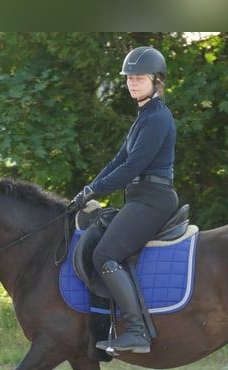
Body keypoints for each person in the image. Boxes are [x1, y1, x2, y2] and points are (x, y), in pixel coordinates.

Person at [69, 46, 178, 354]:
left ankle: (137, 331)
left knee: (104, 254)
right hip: (139, 198)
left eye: (139, 77)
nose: (132, 82)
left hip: (153, 200)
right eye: (129, 78)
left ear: (157, 80)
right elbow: (119, 160)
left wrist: (96, 191)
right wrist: (89, 189)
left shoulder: (158, 118)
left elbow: (133, 167)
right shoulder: (143, 116)